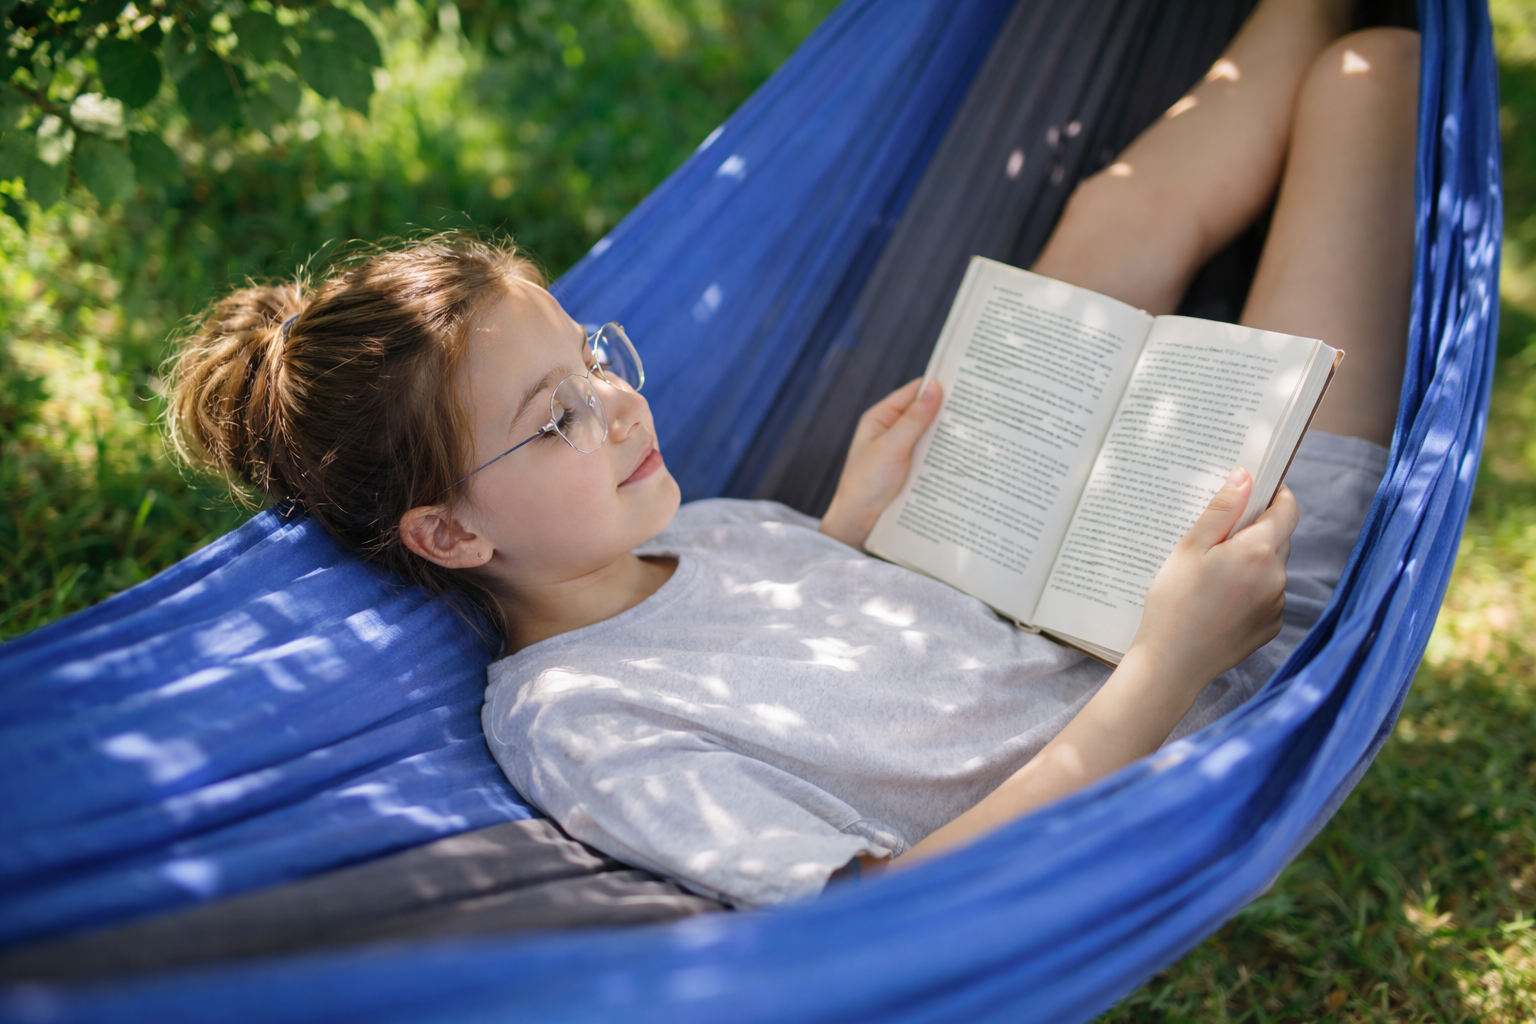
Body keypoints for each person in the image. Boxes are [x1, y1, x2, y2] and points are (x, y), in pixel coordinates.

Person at [170, 0, 1417, 909]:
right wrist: (1174, 654)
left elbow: (809, 673)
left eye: (592, 359)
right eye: (552, 418)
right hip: (1210, 696)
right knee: (1377, 72)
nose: (615, 407)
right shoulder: (578, 721)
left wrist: (846, 532)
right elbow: (881, 911)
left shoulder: (689, 529)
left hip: (1053, 578)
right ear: (450, 533)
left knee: (1111, 216)